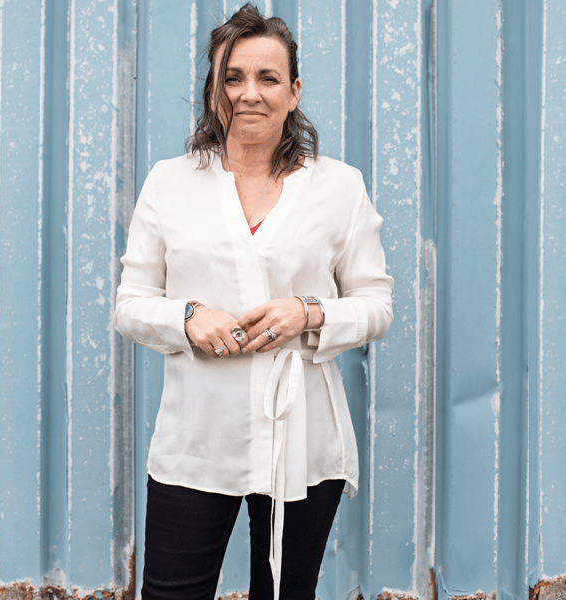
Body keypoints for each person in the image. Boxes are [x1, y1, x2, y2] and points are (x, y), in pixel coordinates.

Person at [113, 5, 393, 600]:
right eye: (232, 77)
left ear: (294, 92)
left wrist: (308, 312)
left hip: (301, 441)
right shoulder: (169, 183)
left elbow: (376, 304)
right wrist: (187, 317)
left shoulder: (339, 187)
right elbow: (130, 304)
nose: (249, 93)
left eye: (268, 78)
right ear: (213, 91)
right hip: (197, 437)